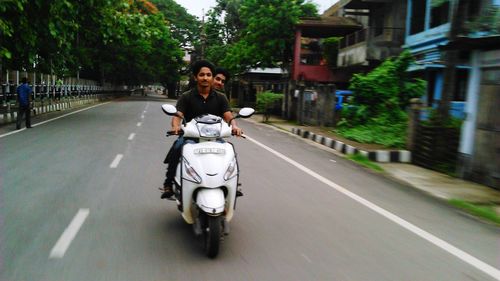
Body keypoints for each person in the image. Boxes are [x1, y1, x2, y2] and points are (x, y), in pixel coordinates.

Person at [160, 60, 243, 199]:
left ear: (212, 77)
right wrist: (175, 127)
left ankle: (234, 183)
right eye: (202, 74)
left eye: (209, 75)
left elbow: (228, 115)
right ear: (195, 77)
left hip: (215, 138)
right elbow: (178, 115)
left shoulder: (221, 98)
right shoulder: (186, 96)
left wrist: (234, 126)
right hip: (190, 137)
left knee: (230, 151)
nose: (205, 77)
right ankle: (168, 183)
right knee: (177, 147)